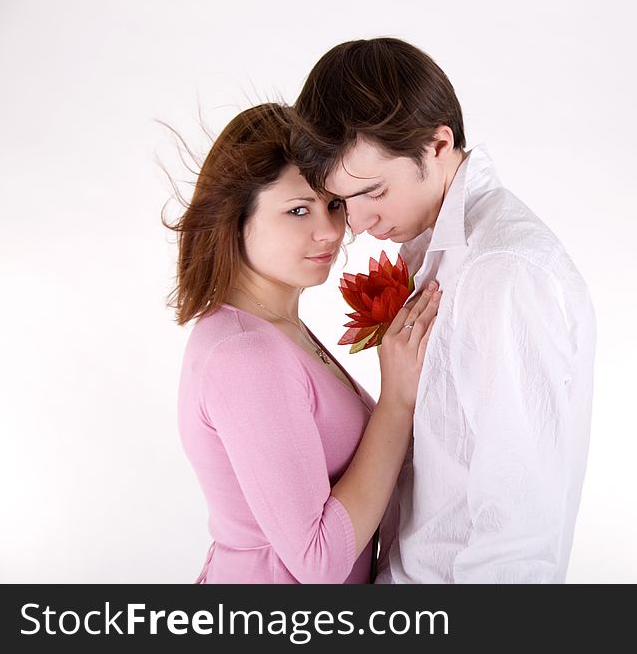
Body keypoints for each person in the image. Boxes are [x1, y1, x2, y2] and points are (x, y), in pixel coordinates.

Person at [291, 38, 597, 583]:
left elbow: (518, 533)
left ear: (437, 145)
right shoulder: (445, 259)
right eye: (344, 201)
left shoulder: (501, 271)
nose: (357, 224)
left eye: (374, 191)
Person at [165, 102, 441, 583]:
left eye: (334, 204)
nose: (330, 231)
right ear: (235, 218)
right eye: (297, 210)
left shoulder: (274, 330)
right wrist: (396, 399)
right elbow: (319, 561)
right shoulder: (246, 354)